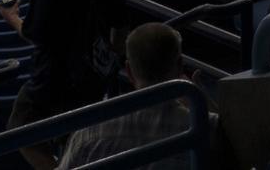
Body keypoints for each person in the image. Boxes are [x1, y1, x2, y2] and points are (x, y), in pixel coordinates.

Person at [0, 0, 124, 170]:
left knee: (18, 130)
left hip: (52, 78)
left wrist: (12, 17)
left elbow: (34, 34)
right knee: (77, 135)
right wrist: (113, 58)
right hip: (95, 74)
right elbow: (120, 25)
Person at [55, 23, 196, 170]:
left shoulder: (88, 134)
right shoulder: (202, 127)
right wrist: (201, 103)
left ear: (128, 70)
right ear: (180, 65)